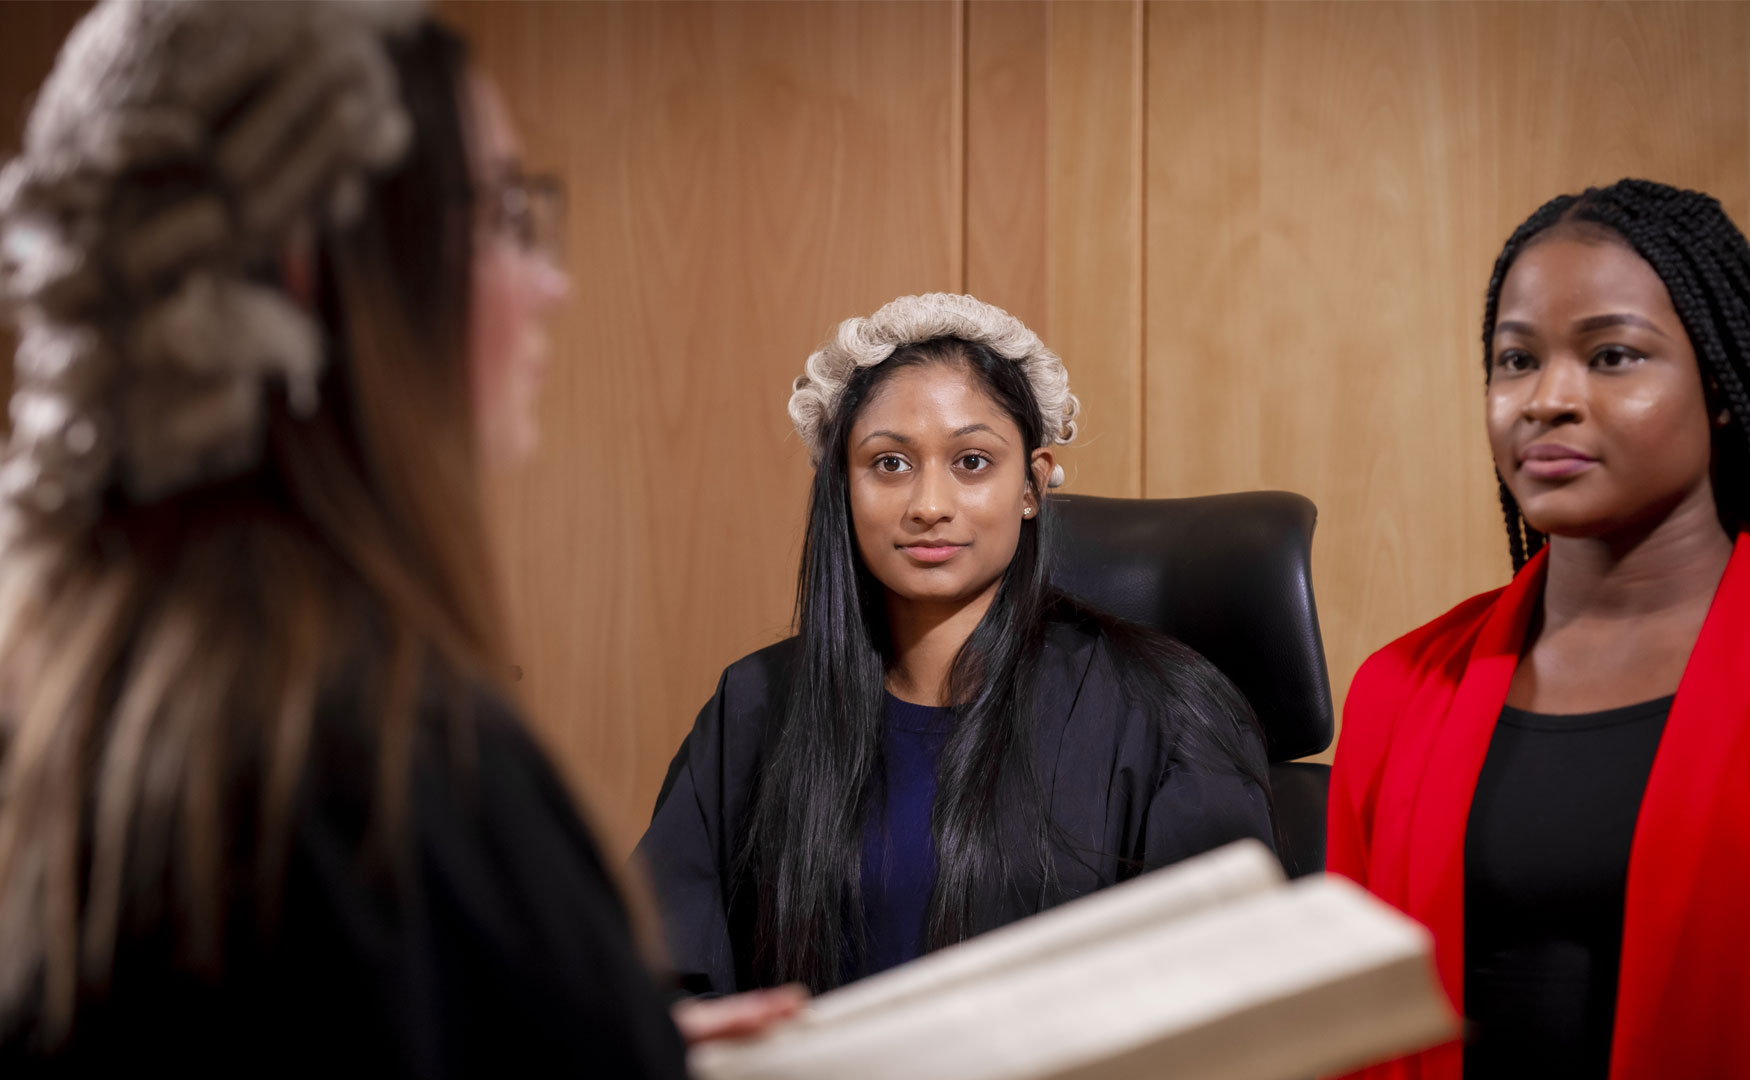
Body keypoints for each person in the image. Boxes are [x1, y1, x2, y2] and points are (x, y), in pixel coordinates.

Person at [0, 3, 795, 1073]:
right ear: (304, 268)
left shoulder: (68, 711)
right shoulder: (379, 773)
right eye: (506, 216)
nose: (549, 283)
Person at [1328, 179, 1750, 1080]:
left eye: (1611, 357)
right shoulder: (1401, 690)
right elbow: (1352, 1041)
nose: (1546, 400)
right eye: (1516, 360)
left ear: (1721, 386)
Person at [639, 293, 1275, 994]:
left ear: (1033, 484)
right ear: (839, 488)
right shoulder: (754, 707)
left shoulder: (1170, 712)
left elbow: (1226, 1007)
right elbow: (665, 980)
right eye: (889, 465)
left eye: (972, 461)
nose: (929, 505)